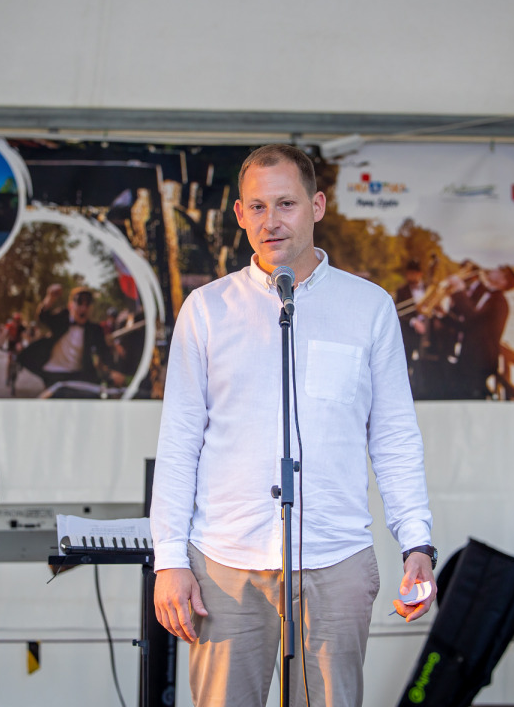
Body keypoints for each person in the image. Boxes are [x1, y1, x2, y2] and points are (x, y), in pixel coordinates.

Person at [150, 144, 437, 707]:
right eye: (257, 207)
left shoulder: (369, 306)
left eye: (286, 203)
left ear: (317, 206)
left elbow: (394, 436)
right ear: (239, 214)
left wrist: (416, 541)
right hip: (226, 561)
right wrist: (170, 559)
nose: (271, 221)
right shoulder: (207, 309)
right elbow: (179, 442)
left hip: (336, 557)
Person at [16, 285, 122, 391]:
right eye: (79, 303)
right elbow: (43, 316)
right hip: (53, 373)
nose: (83, 308)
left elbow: (103, 352)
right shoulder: (62, 318)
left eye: (87, 304)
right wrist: (50, 297)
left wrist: (113, 372)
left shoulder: (94, 329)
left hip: (79, 376)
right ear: (71, 305)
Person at [449, 265, 514, 399]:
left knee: (472, 396)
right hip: (470, 357)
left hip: (480, 361)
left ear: (503, 281)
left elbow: (471, 317)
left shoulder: (499, 302)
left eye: (499, 270)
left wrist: (459, 290)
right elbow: (469, 325)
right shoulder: (487, 295)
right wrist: (444, 315)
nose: (494, 269)